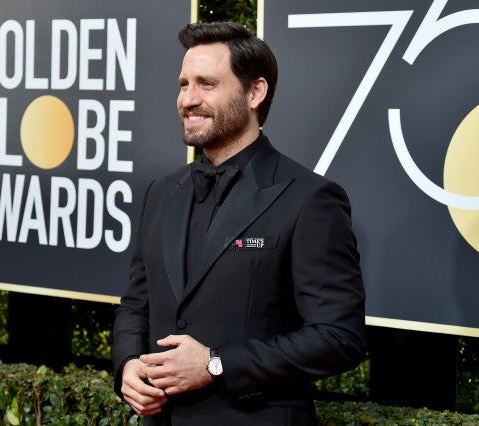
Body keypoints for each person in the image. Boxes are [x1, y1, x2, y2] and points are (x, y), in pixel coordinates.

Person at [112, 21, 365, 426]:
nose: (188, 99)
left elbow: (338, 338)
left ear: (255, 92)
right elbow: (135, 305)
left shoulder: (309, 199)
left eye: (207, 84)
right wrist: (127, 364)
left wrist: (216, 364)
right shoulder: (162, 192)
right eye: (183, 84)